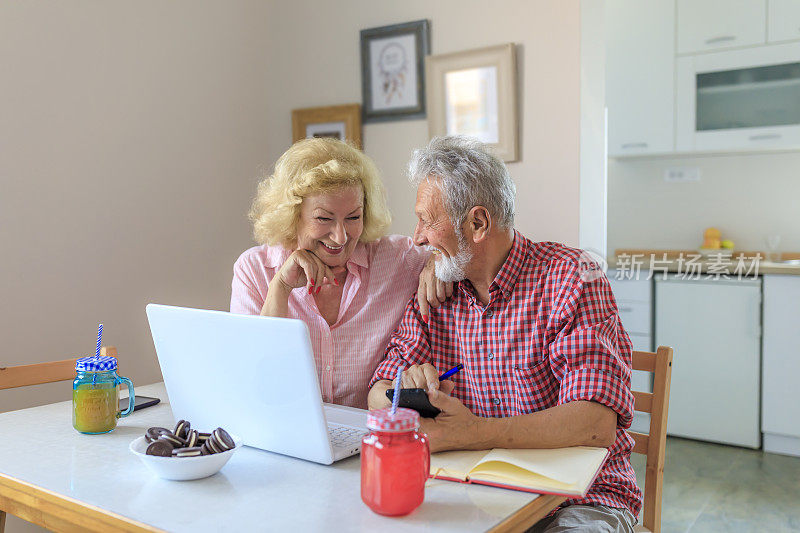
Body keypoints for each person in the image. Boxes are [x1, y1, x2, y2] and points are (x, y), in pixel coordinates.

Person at [368, 136, 641, 532]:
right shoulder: (439, 287)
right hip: (472, 491)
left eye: (427, 220)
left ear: (478, 223)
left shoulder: (572, 278)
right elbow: (378, 393)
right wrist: (401, 390)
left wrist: (471, 434)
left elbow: (595, 423)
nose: (418, 237)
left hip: (578, 499)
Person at [231, 138, 451, 409]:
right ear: (292, 214)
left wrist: (437, 261)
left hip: (367, 438)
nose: (341, 236)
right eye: (324, 218)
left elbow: (455, 251)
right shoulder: (254, 270)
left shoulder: (395, 259)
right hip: (285, 434)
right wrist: (280, 288)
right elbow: (252, 379)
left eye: (353, 217)